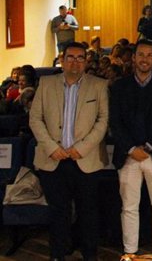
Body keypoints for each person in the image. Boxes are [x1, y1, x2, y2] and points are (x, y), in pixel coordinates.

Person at [29, 42, 108, 261]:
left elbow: (103, 121)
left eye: (80, 58)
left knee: (88, 213)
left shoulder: (99, 85)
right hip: (52, 159)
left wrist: (80, 149)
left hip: (85, 159)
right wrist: (52, 148)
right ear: (62, 60)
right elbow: (35, 118)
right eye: (70, 57)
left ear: (86, 61)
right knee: (58, 213)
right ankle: (57, 255)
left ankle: (89, 255)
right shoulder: (46, 83)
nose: (75, 62)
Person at [109, 39, 152, 256]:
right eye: (141, 54)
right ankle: (130, 253)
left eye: (149, 55)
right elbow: (115, 122)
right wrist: (130, 148)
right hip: (128, 156)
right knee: (129, 207)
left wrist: (147, 147)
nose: (145, 59)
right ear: (134, 57)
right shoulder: (119, 86)